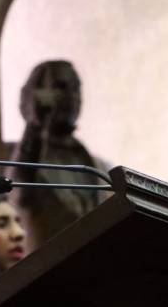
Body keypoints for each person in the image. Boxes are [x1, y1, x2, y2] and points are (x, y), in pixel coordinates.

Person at [7, 60, 108, 251]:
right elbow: (22, 184)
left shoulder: (99, 166)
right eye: (60, 87)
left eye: (76, 88)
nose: (72, 95)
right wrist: (35, 125)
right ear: (37, 96)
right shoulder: (28, 159)